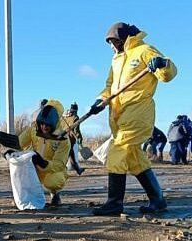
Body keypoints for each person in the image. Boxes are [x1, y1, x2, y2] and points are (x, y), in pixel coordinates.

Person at [86, 22, 175, 216]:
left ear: (124, 38)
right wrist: (100, 101)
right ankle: (158, 200)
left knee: (117, 153)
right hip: (119, 116)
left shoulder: (144, 50)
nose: (111, 46)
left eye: (114, 41)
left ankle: (114, 202)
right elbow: (110, 86)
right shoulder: (116, 61)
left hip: (138, 114)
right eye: (109, 43)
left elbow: (168, 74)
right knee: (136, 160)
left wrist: (162, 64)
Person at [19, 99, 70, 207]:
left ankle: (55, 193)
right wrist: (10, 147)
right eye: (42, 124)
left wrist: (43, 163)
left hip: (51, 170)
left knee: (52, 182)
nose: (44, 127)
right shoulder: (33, 130)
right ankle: (28, 197)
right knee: (20, 172)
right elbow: (19, 143)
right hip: (34, 168)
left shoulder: (63, 139)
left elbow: (59, 165)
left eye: (48, 125)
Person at [61, 103, 85, 175]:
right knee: (66, 156)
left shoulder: (65, 117)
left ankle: (78, 169)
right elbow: (76, 130)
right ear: (76, 110)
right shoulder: (75, 118)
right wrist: (79, 138)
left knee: (71, 154)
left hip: (62, 138)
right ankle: (60, 171)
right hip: (69, 139)